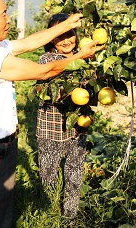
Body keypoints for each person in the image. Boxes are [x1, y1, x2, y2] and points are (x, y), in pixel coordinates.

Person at [0, 0, 102, 228]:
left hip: (1, 147)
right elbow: (43, 71)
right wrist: (79, 56)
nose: (8, 19)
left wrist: (65, 24)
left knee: (1, 208)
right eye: (2, 14)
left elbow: (29, 43)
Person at [36, 13, 91, 223]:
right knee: (48, 174)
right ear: (51, 38)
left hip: (77, 127)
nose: (67, 40)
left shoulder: (84, 58)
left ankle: (70, 216)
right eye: (61, 36)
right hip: (51, 129)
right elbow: (57, 92)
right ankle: (48, 213)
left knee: (75, 173)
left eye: (70, 34)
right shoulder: (47, 59)